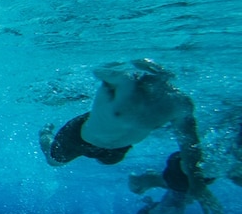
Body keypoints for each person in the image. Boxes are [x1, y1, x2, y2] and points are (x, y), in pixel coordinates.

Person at [39, 59, 213, 200]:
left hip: (117, 149)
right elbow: (99, 70)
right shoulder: (126, 82)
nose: (147, 76)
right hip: (78, 136)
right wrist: (129, 64)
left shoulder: (179, 104)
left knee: (107, 162)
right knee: (53, 161)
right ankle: (45, 134)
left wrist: (196, 181)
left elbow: (189, 144)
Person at [128, 151, 222, 214]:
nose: (148, 170)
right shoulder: (173, 180)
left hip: (187, 181)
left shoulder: (173, 181)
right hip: (186, 180)